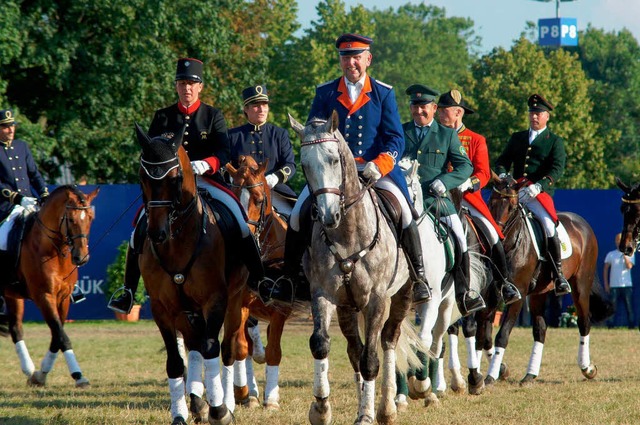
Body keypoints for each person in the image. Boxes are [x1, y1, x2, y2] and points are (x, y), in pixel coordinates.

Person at [259, 33, 431, 305]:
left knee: (405, 212)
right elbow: (313, 131)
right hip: (332, 173)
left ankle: (419, 277)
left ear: (368, 59)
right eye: (346, 57)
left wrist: (381, 164)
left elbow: (396, 138)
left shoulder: (383, 93)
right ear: (340, 60)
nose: (351, 62)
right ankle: (289, 279)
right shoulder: (325, 92)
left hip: (375, 171)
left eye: (356, 57)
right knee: (297, 214)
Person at [108, 58, 263, 314]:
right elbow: (151, 151)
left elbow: (224, 150)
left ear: (200, 87)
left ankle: (260, 280)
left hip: (206, 180)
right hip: (168, 185)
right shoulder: (163, 117)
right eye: (182, 83)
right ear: (176, 86)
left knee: (238, 217)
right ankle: (127, 290)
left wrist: (208, 164)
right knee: (138, 229)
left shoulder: (213, 115)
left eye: (191, 83)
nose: (187, 88)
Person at [401, 84, 485, 316]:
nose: (419, 111)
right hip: (405, 201)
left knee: (459, 234)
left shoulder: (446, 135)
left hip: (436, 200)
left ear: (434, 107)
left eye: (424, 107)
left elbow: (465, 166)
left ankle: (465, 292)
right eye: (415, 106)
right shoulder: (400, 132)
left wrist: (445, 181)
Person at [436, 89, 521, 305]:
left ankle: (505, 283)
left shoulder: (475, 139)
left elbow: (483, 173)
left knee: (493, 234)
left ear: (458, 112)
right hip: (438, 195)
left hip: (467, 197)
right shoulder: (434, 135)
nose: (439, 113)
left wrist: (469, 183)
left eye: (444, 110)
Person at [0, 109, 81, 318]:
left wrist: (44, 194)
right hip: (7, 207)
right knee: (3, 239)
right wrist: (17, 198)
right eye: (5, 127)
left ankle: (69, 283)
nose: (10, 130)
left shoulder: (22, 147)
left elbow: (34, 174)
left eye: (12, 126)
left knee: (58, 231)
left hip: (30, 202)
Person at [494, 93, 571, 296]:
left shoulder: (554, 141)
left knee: (548, 225)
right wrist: (503, 175)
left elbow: (557, 168)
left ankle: (559, 274)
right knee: (496, 220)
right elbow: (502, 160)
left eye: (538, 113)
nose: (534, 117)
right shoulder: (517, 137)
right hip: (516, 192)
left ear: (547, 116)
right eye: (532, 113)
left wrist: (540, 185)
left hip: (538, 194)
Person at [228, 85, 297, 216]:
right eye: (256, 105)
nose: (261, 109)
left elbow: (290, 165)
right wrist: (236, 180)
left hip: (274, 191)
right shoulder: (232, 136)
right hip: (242, 192)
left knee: (296, 218)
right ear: (246, 109)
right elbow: (225, 166)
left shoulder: (279, 134)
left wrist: (274, 178)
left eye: (264, 105)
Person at [604, 233, 635, 328]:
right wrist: (606, 284)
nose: (618, 243)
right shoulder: (611, 254)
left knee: (629, 306)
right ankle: (610, 325)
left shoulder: (630, 253)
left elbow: (629, 266)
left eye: (620, 241)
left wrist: (625, 255)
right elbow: (605, 269)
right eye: (617, 241)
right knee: (612, 306)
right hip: (614, 285)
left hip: (626, 285)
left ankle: (632, 325)